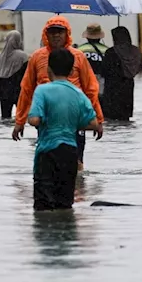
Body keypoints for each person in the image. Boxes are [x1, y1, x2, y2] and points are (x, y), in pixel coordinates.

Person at [12, 16, 104, 171]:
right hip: (47, 117)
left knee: (76, 161)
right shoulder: (37, 57)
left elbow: (90, 89)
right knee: (49, 158)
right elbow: (26, 89)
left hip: (73, 114)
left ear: (67, 34)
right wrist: (19, 121)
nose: (56, 35)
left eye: (60, 32)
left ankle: (77, 192)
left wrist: (98, 119)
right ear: (45, 35)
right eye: (52, 32)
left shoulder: (78, 57)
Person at [28, 48, 102, 211]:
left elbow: (34, 120)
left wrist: (46, 120)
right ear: (71, 70)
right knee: (65, 204)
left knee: (43, 205)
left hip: (47, 153)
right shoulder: (78, 93)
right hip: (70, 153)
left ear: (48, 69)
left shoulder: (42, 90)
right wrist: (70, 123)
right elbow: (94, 123)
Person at [102, 25, 142, 121]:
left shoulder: (111, 52)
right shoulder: (135, 51)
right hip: (128, 87)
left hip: (112, 89)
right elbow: (139, 67)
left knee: (110, 119)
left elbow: (104, 71)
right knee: (125, 118)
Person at [0, 30, 27, 120]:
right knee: (21, 118)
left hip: (3, 92)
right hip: (18, 92)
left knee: (5, 118)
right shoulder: (23, 56)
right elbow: (27, 77)